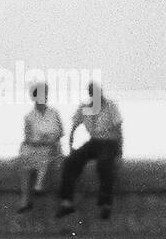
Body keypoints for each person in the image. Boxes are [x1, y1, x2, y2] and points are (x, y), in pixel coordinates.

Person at [55, 82, 122, 220]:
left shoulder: (110, 106)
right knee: (70, 162)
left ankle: (105, 204)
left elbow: (118, 128)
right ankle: (66, 202)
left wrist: (120, 151)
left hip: (110, 141)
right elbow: (74, 127)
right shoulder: (85, 108)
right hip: (94, 141)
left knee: (104, 164)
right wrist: (71, 148)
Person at [17, 82, 63, 212]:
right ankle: (25, 199)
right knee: (25, 158)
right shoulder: (29, 116)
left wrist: (49, 138)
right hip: (36, 146)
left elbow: (60, 132)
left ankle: (39, 184)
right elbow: (27, 137)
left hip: (52, 147)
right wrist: (39, 140)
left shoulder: (54, 113)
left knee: (46, 152)